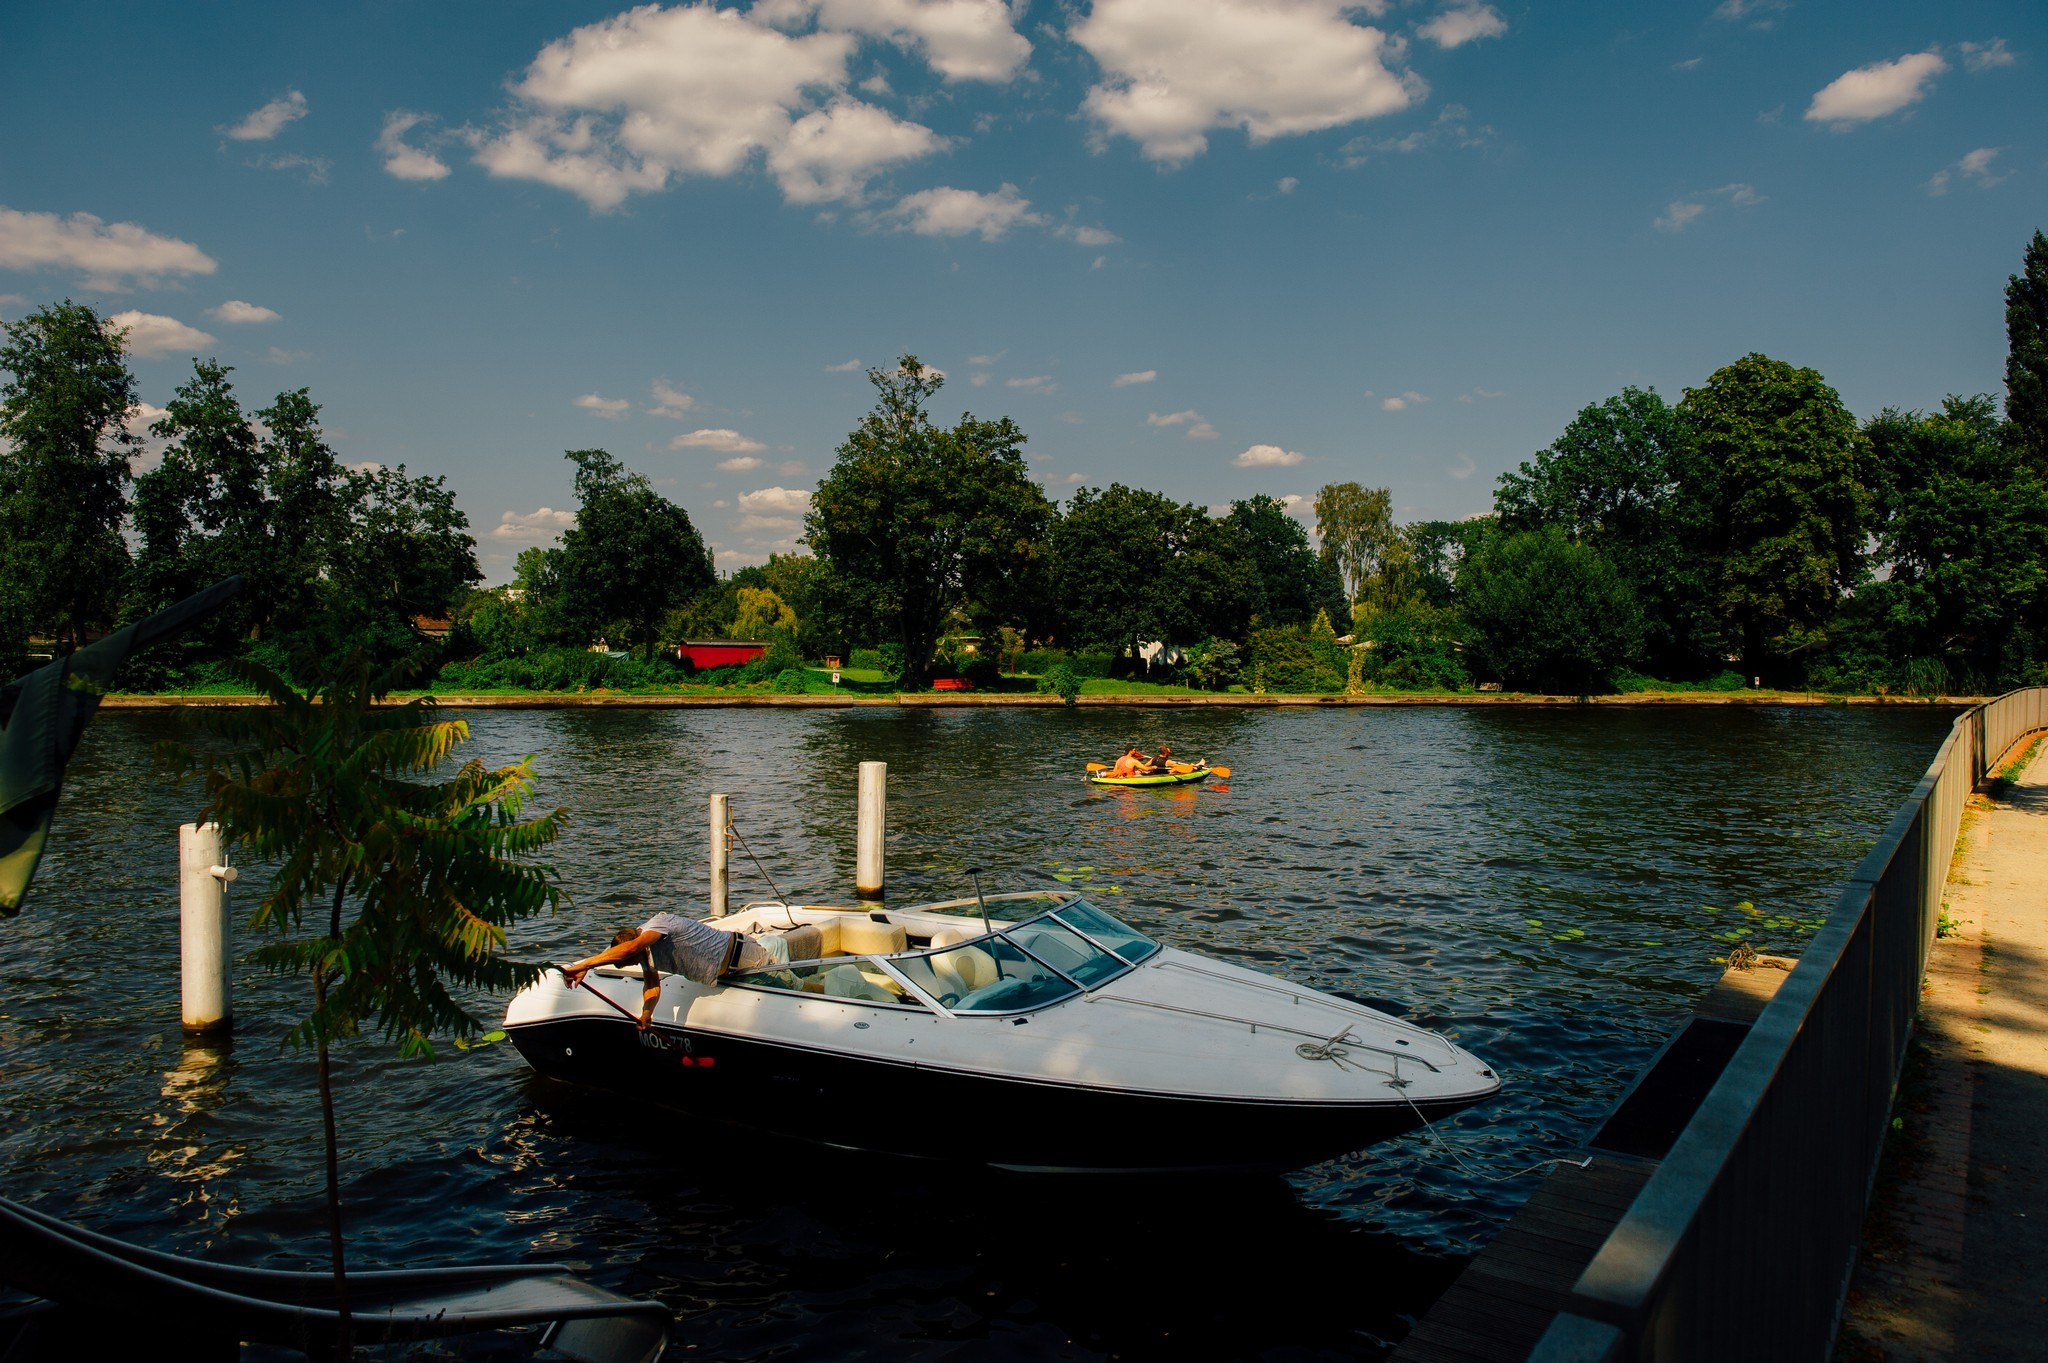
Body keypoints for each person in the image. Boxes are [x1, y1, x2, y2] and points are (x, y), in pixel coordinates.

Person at [562, 912, 773, 1029]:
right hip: (727, 975)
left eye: (632, 962)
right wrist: (647, 1013)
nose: (635, 965)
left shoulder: (657, 925)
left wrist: (584, 965)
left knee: (786, 985)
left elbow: (630, 949)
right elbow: (652, 985)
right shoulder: (644, 955)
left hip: (745, 958)